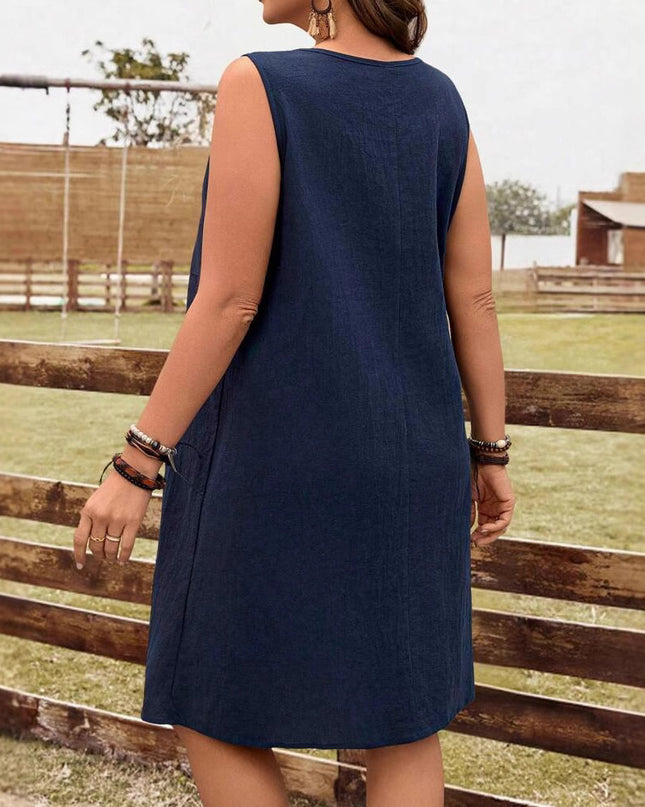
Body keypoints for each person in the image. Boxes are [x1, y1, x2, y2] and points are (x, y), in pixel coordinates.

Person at [73, 0, 516, 804]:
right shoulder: (440, 100)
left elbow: (230, 298)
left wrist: (137, 461)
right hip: (415, 461)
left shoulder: (259, 82)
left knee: (205, 698)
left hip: (275, 456)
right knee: (403, 721)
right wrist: (488, 453)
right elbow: (474, 300)